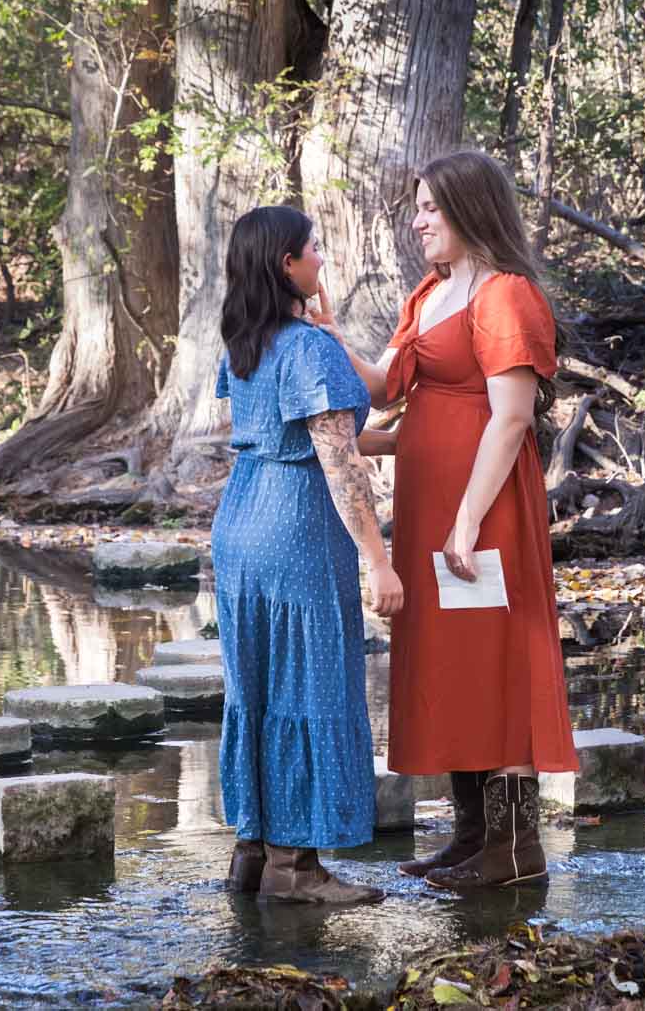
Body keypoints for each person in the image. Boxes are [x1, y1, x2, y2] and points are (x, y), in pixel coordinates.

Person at [318, 150, 577, 892]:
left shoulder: (505, 295)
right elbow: (384, 386)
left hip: (483, 510)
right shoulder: (429, 293)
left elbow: (511, 417)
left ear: (470, 209)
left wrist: (466, 521)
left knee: (497, 659)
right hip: (431, 508)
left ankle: (515, 849)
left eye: (432, 207)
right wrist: (332, 333)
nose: (419, 219)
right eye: (419, 206)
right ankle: (471, 834)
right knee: (455, 660)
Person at [211, 205, 404, 905]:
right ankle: (297, 868)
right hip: (295, 527)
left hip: (240, 520)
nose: (323, 257)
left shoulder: (243, 343)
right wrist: (380, 561)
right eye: (313, 248)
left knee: (255, 686)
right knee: (310, 682)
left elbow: (296, 435)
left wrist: (402, 440)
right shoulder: (310, 349)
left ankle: (252, 853)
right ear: (287, 265)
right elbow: (336, 464)